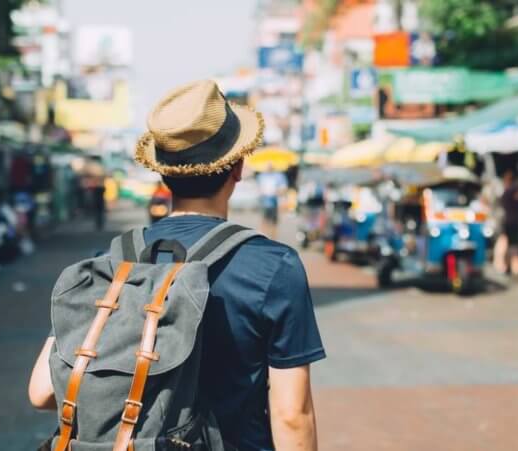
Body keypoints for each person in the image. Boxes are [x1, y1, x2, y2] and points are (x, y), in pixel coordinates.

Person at [28, 80, 324, 451]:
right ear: (238, 167)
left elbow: (41, 392)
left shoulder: (111, 263)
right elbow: (291, 415)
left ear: (163, 173)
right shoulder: (273, 266)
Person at [493, 170, 518, 277]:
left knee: (506, 244)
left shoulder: (507, 192)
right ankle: (514, 268)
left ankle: (505, 266)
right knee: (513, 246)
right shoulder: (516, 192)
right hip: (514, 223)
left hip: (507, 223)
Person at [257, 164, 288, 238]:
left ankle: (273, 239)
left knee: (274, 222)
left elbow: (284, 188)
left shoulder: (279, 176)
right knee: (264, 221)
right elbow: (258, 188)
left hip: (275, 202)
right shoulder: (261, 176)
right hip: (264, 201)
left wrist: (277, 192)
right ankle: (263, 238)